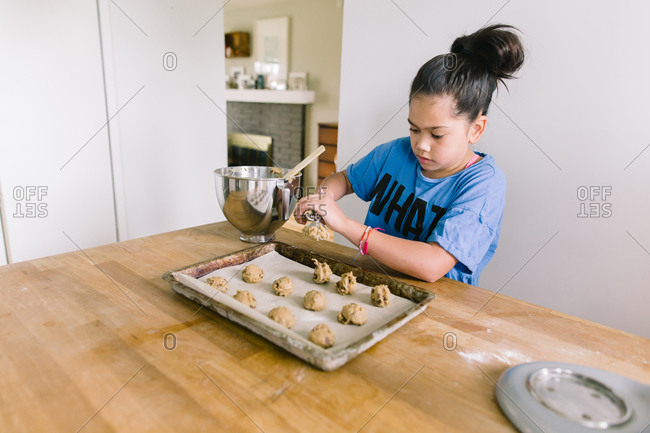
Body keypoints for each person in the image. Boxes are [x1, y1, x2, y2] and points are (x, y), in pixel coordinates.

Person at [294, 24, 525, 285]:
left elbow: (432, 264)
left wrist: (344, 224)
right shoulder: (395, 152)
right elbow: (345, 180)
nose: (421, 145)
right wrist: (324, 198)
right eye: (414, 129)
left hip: (438, 308)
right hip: (369, 285)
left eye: (436, 134)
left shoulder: (484, 184)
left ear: (476, 129)